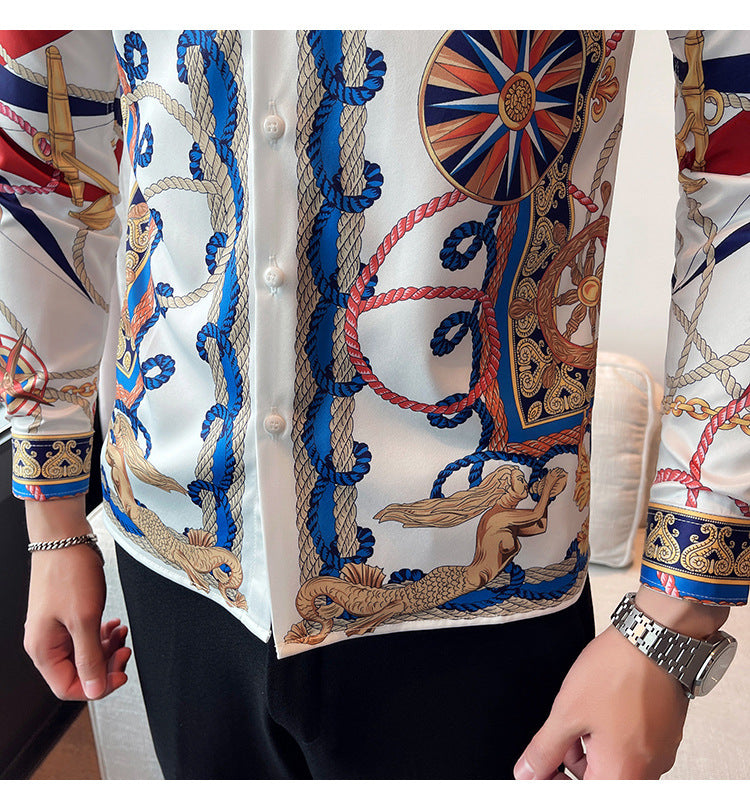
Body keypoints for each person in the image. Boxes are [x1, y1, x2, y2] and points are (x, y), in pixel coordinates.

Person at [1, 29, 745, 779]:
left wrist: (673, 621)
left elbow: (735, 167)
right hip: (180, 556)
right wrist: (52, 511)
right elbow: (40, 158)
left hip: (481, 583)